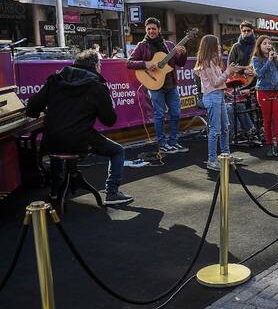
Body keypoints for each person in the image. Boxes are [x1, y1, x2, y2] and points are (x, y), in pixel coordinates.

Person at [26, 50, 133, 205]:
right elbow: (109, 121)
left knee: (58, 140)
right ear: (96, 66)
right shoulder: (97, 87)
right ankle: (112, 193)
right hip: (80, 140)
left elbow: (31, 109)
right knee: (118, 151)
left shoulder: (55, 80)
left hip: (51, 140)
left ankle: (55, 190)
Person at [127, 17, 188, 154]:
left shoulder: (169, 45)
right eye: (148, 29)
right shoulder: (142, 46)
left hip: (171, 85)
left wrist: (183, 54)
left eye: (153, 28)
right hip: (155, 85)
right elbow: (129, 63)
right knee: (159, 115)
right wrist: (146, 64)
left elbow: (180, 63)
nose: (151, 31)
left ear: (159, 29)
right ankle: (162, 143)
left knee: (176, 113)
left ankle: (173, 142)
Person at [195, 35, 237, 171]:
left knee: (225, 127)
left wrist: (227, 75)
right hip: (212, 97)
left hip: (218, 95)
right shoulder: (206, 63)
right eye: (217, 44)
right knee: (215, 130)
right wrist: (228, 72)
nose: (219, 46)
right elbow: (215, 82)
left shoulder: (213, 62)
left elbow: (218, 82)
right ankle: (211, 160)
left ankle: (225, 155)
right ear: (211, 46)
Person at [252, 36, 278, 158]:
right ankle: (270, 145)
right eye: (264, 43)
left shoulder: (275, 58)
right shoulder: (256, 59)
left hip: (276, 91)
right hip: (263, 91)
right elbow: (259, 74)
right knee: (267, 119)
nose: (268, 45)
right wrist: (269, 60)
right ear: (259, 46)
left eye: (269, 43)